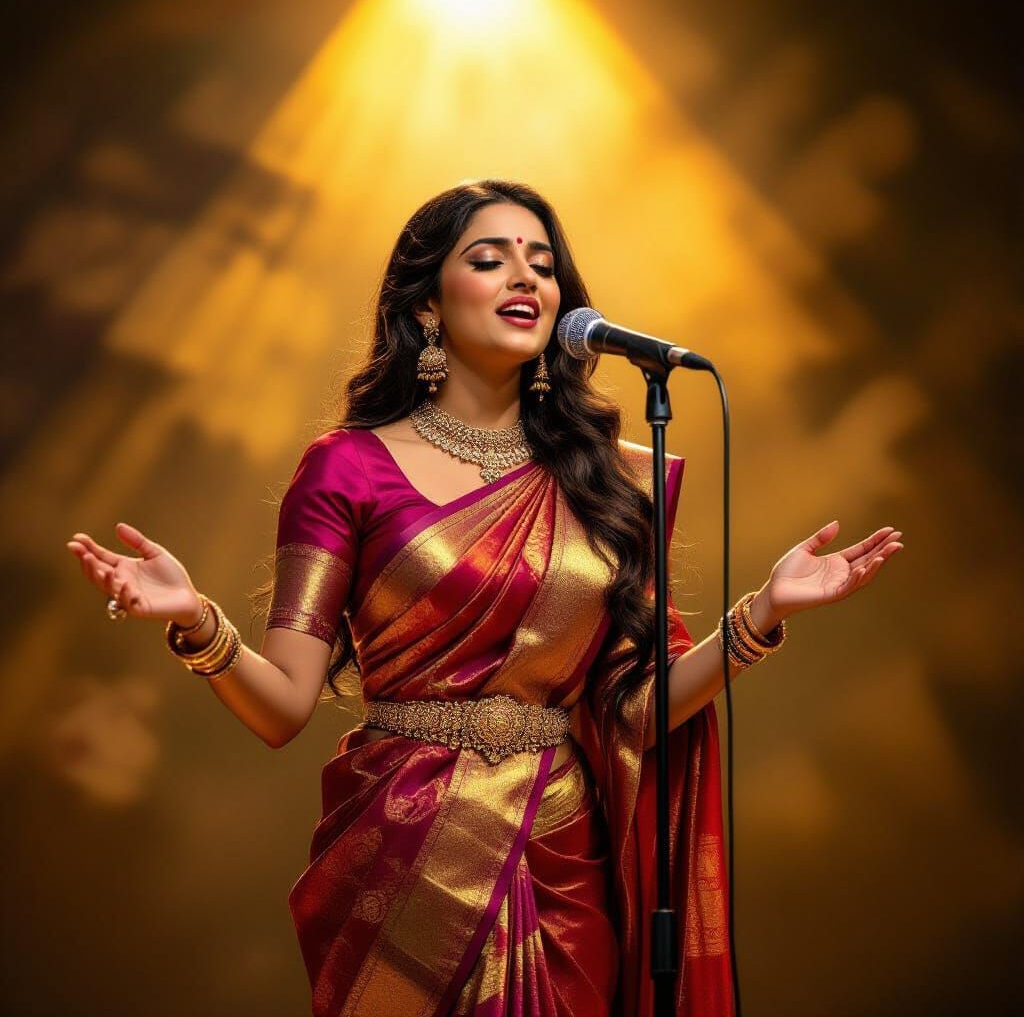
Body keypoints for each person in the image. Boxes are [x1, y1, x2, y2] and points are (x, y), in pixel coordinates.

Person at [65, 178, 903, 1017]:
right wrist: (195, 620)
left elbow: (633, 713)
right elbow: (284, 706)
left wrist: (763, 613)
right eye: (490, 259)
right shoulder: (346, 469)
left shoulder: (605, 481)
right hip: (403, 850)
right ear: (426, 303)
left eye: (541, 262)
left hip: (561, 858)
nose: (525, 277)